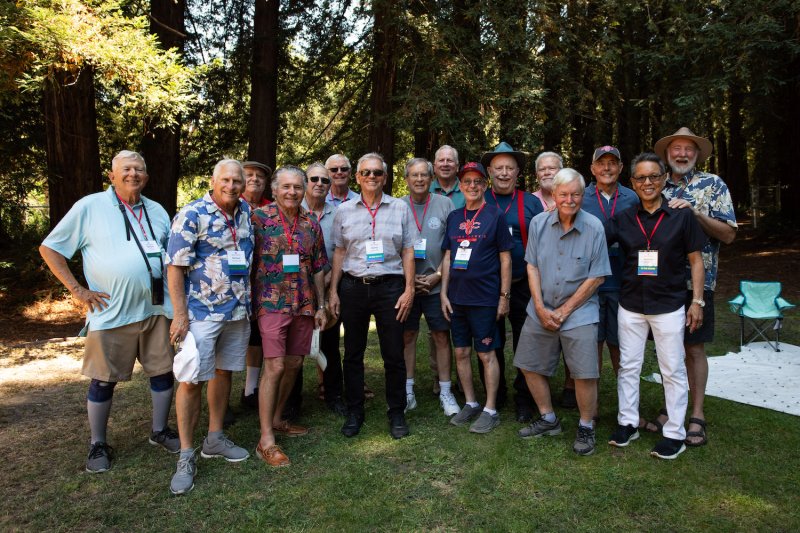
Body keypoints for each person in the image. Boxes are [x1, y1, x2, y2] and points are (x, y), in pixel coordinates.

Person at [39, 150, 177, 473]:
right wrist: (78, 291)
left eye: (139, 169)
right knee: (103, 380)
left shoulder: (157, 210)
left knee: (162, 372)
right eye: (126, 169)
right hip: (111, 311)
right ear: (112, 176)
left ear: (146, 177)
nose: (133, 174)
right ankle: (97, 443)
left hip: (156, 308)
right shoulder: (89, 207)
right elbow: (50, 248)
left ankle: (159, 430)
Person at [606, 152, 706, 460]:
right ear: (632, 182)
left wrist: (697, 301)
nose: (647, 182)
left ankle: (674, 433)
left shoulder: (681, 215)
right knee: (628, 366)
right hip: (631, 304)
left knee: (672, 369)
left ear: (663, 179)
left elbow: (696, 261)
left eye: (653, 176)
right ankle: (628, 422)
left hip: (669, 304)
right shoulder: (623, 218)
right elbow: (593, 238)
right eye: (640, 177)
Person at [165, 159, 255, 495]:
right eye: (225, 180)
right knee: (191, 379)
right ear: (213, 181)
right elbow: (175, 266)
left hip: (237, 310)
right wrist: (180, 315)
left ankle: (214, 438)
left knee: (223, 371)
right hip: (201, 313)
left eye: (237, 181)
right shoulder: (192, 214)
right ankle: (186, 455)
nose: (231, 186)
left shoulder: (246, 212)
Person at [513, 168, 611, 456]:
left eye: (576, 194)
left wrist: (565, 310)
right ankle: (548, 418)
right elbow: (532, 265)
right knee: (528, 364)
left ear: (582, 196)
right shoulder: (539, 223)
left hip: (579, 311)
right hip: (541, 307)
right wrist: (539, 307)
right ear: (553, 195)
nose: (570, 200)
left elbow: (597, 277)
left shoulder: (594, 227)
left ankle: (586, 425)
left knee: (584, 373)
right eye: (564, 194)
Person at [650, 127, 737, 446]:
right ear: (667, 154)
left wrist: (695, 213)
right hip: (661, 282)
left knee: (694, 348)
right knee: (667, 348)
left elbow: (728, 234)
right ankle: (671, 407)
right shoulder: (655, 183)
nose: (682, 154)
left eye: (689, 149)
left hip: (697, 283)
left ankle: (697, 414)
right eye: (676, 148)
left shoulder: (713, 184)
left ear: (697, 154)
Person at [328, 152, 418, 439]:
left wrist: (409, 289)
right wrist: (333, 290)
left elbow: (408, 250)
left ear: (385, 177)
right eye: (365, 172)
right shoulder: (344, 211)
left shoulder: (400, 208)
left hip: (390, 287)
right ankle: (355, 411)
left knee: (393, 353)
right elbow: (339, 251)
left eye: (377, 172)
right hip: (353, 287)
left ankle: (397, 411)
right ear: (357, 177)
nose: (371, 177)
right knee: (353, 353)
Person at [251, 166, 328, 467]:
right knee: (275, 365)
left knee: (295, 363)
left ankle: (277, 418)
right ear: (274, 189)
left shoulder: (311, 223)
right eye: (286, 186)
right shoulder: (258, 219)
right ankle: (266, 440)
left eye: (297, 187)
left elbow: (319, 266)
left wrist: (321, 305)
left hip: (304, 303)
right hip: (271, 302)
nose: (292, 192)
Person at [440, 162, 512, 434]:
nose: (472, 186)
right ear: (460, 186)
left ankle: (490, 408)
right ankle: (470, 402)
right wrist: (443, 293)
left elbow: (505, 259)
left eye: (477, 181)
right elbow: (448, 256)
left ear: (485, 185)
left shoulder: (496, 216)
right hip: (457, 298)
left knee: (486, 353)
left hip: (485, 298)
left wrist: (504, 296)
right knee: (461, 351)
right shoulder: (454, 217)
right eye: (467, 181)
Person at [570, 146, 638, 418]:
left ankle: (627, 407)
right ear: (592, 168)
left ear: (621, 168)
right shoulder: (581, 197)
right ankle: (593, 406)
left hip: (624, 282)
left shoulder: (632, 197)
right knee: (592, 346)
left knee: (621, 347)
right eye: (601, 163)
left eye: (612, 163)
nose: (607, 168)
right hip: (589, 284)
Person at [481, 141, 544, 421]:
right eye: (499, 168)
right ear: (489, 171)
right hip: (487, 286)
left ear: (518, 172)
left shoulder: (531, 202)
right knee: (490, 341)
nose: (504, 173)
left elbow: (543, 242)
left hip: (523, 284)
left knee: (525, 341)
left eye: (510, 168)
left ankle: (524, 397)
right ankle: (495, 392)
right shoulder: (480, 200)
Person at [399, 158, 459, 416]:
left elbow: (452, 247)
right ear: (406, 179)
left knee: (441, 336)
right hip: (408, 286)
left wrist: (438, 275)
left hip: (437, 285)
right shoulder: (398, 206)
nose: (420, 179)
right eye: (414, 175)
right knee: (407, 336)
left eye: (424, 175)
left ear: (431, 178)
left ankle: (446, 391)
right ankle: (407, 391)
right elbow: (393, 247)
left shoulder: (445, 204)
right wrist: (409, 279)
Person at [302, 162, 347, 416]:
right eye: (314, 179)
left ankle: (334, 395)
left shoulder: (339, 214)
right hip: (297, 291)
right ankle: (292, 401)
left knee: (330, 343)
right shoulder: (294, 209)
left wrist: (329, 280)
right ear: (305, 182)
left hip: (329, 288)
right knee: (296, 347)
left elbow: (343, 249)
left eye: (324, 180)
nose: (320, 183)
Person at [240, 160, 272, 411]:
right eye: (249, 174)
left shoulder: (271, 208)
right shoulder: (231, 204)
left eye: (259, 176)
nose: (254, 179)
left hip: (264, 283)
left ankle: (250, 389)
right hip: (234, 283)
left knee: (257, 337)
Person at [430, 145, 466, 209]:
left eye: (449, 160)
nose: (445, 164)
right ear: (434, 167)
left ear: (457, 167)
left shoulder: (468, 190)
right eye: (441, 160)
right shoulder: (426, 190)